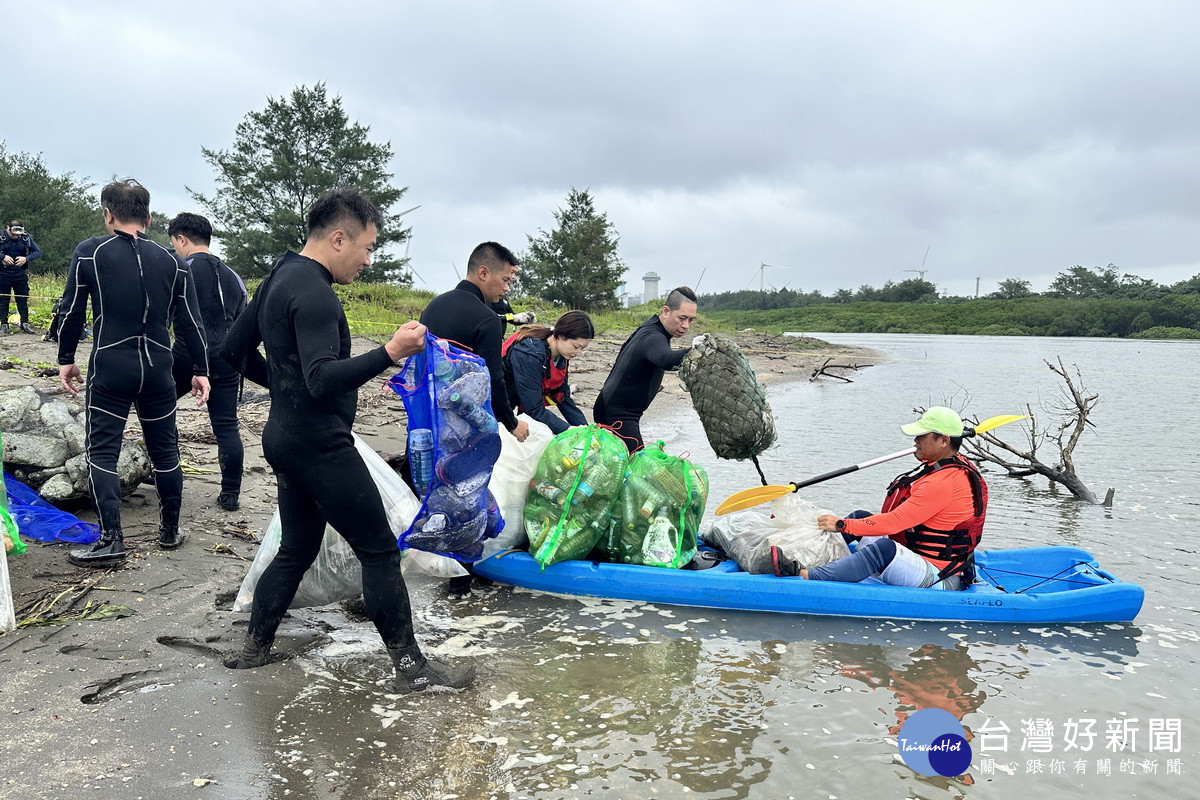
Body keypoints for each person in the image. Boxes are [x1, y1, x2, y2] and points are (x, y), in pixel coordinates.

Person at [220, 188, 473, 693]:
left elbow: (232, 351)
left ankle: (254, 648)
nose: (368, 260)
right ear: (339, 238)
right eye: (368, 247)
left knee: (296, 547)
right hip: (320, 444)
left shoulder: (278, 276)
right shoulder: (314, 292)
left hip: (284, 436)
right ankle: (410, 669)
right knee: (379, 551)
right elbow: (321, 378)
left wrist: (286, 390)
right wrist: (390, 351)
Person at [57, 180, 211, 566]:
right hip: (159, 368)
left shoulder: (91, 253)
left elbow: (72, 310)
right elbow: (191, 323)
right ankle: (170, 532)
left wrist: (66, 358)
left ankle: (112, 540)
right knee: (165, 451)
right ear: (149, 216)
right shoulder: (174, 261)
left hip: (112, 365)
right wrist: (201, 370)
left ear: (108, 214)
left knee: (102, 451)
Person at [798, 407, 987, 590]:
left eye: (922, 436)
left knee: (884, 549)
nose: (915, 440)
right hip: (920, 557)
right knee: (859, 516)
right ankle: (804, 556)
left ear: (944, 441)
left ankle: (806, 576)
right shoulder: (950, 465)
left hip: (940, 576)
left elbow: (894, 523)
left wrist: (841, 525)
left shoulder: (944, 482)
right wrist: (849, 523)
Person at [167, 213, 248, 512]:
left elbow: (166, 314)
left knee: (160, 409)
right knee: (227, 425)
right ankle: (230, 493)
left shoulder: (181, 270)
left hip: (187, 353)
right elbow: (243, 319)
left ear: (182, 239)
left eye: (174, 242)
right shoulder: (233, 277)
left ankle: (165, 469)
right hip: (226, 356)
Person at [420, 242, 529, 443]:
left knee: (419, 467)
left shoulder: (434, 306)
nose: (506, 288)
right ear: (484, 273)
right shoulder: (488, 319)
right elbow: (493, 378)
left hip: (425, 412)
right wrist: (511, 423)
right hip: (462, 418)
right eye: (505, 280)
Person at [593, 286, 698, 451]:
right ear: (665, 311)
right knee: (636, 467)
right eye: (682, 318)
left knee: (617, 467)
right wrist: (698, 350)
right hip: (618, 415)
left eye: (691, 320)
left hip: (614, 410)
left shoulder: (652, 328)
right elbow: (666, 359)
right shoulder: (653, 337)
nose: (686, 325)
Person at [502, 310, 594, 435]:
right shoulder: (530, 353)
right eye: (575, 346)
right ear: (561, 336)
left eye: (582, 348)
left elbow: (562, 396)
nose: (577, 353)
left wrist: (585, 429)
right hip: (499, 405)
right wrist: (567, 430)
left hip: (520, 403)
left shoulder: (562, 355)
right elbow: (534, 408)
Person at [0, 220, 42, 335]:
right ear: (8, 228)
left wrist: (26, 259)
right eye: (14, 232)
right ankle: (3, 324)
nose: (16, 235)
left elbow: (37, 251)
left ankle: (25, 323)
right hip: (3, 273)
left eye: (19, 232)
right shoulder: (1, 236)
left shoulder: (25, 237)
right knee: (3, 299)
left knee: (22, 298)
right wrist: (3, 257)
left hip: (20, 273)